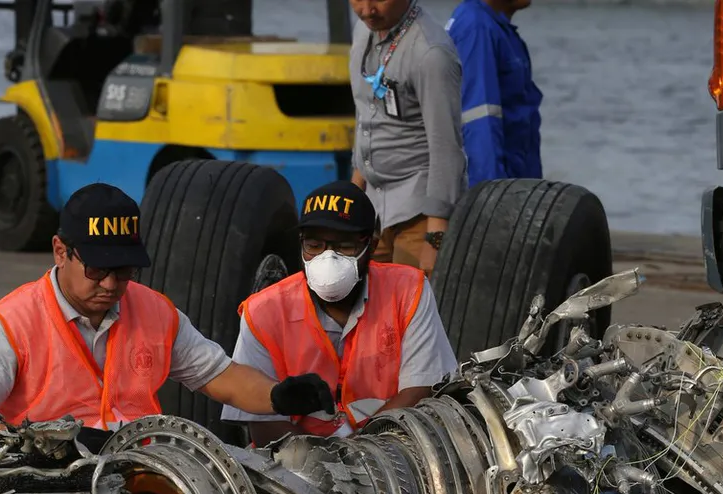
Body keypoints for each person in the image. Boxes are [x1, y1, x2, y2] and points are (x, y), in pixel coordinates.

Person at [0, 183, 334, 450]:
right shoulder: (9, 324)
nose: (111, 284)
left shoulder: (154, 311)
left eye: (124, 270)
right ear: (60, 252)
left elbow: (223, 378)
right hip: (47, 480)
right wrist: (49, 444)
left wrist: (279, 396)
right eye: (97, 269)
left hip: (141, 469)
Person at [221, 180, 459, 447]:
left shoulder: (408, 290)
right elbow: (263, 425)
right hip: (292, 466)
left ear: (372, 246)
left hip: (394, 453)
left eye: (345, 247)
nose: (327, 258)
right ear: (300, 244)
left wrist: (359, 454)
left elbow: (420, 390)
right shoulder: (263, 311)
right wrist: (326, 462)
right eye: (314, 245)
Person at [348, 0, 468, 276]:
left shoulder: (431, 53)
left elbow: (446, 146)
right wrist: (354, 194)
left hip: (418, 213)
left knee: (410, 312)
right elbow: (366, 115)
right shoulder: (363, 32)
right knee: (364, 306)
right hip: (373, 205)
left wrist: (436, 238)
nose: (367, 10)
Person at [446, 0, 543, 185]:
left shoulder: (497, 28)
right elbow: (477, 120)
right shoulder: (476, 27)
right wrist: (490, 199)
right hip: (495, 188)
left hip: (518, 182)